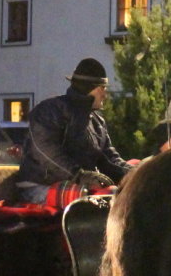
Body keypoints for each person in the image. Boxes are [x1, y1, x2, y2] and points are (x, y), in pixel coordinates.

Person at [14, 57, 131, 205]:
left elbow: (109, 159)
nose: (105, 95)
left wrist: (137, 173)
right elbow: (45, 152)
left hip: (78, 185)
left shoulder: (97, 122)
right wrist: (78, 175)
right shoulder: (50, 110)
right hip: (39, 186)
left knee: (117, 196)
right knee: (92, 202)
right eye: (103, 89)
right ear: (92, 88)